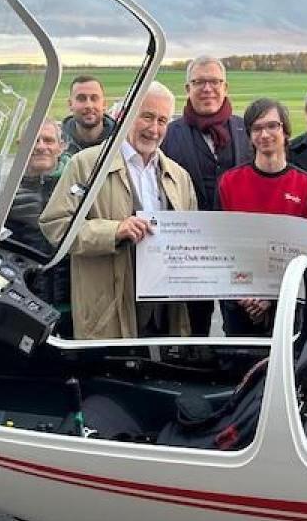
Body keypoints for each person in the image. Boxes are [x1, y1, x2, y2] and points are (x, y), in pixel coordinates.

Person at [40, 81, 196, 341]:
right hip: (108, 312)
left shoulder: (179, 176)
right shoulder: (86, 165)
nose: (154, 129)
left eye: (162, 120)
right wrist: (113, 231)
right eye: (147, 116)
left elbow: (191, 239)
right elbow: (56, 225)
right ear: (124, 115)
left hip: (164, 313)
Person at [161, 56, 250, 336]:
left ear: (226, 87)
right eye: (199, 82)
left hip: (237, 249)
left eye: (214, 81)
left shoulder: (246, 131)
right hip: (189, 252)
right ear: (187, 88)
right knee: (192, 328)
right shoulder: (168, 134)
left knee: (240, 329)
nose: (207, 88)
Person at [217, 98, 307, 335]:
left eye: (272, 126)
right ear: (250, 135)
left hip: (287, 303)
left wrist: (271, 299)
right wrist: (244, 296)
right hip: (239, 302)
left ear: (285, 131)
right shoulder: (229, 182)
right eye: (257, 128)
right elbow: (221, 244)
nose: (264, 134)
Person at [3, 118, 73, 337]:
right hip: (28, 306)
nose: (41, 146)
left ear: (61, 146)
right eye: (34, 140)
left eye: (48, 140)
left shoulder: (79, 187)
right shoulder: (6, 197)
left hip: (74, 304)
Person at [61, 76, 116, 156]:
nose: (89, 105)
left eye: (94, 98)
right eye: (81, 99)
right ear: (70, 104)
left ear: (104, 104)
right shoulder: (56, 143)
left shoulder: (120, 140)